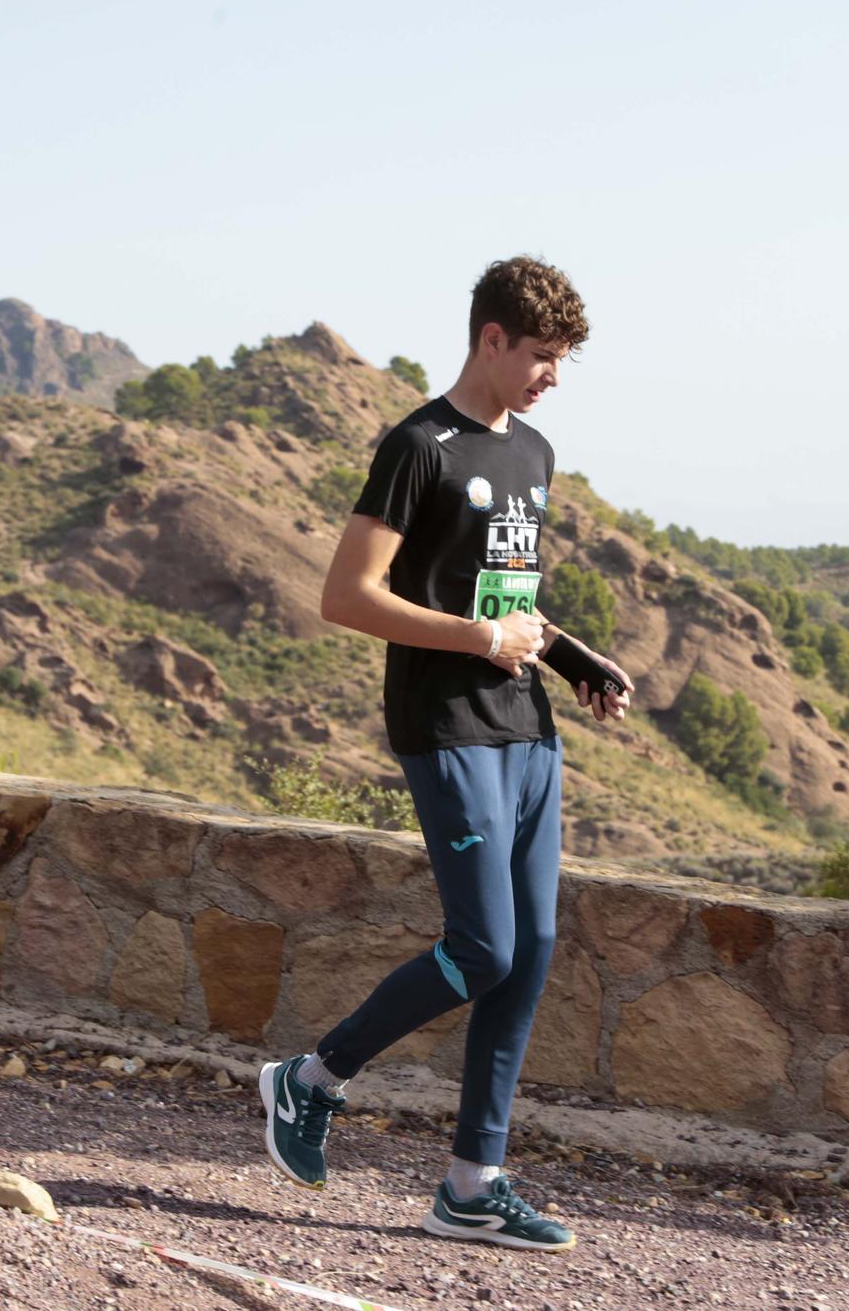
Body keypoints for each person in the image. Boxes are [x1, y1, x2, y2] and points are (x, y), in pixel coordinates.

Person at [259, 257, 630, 1251]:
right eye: (542, 357)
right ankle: (309, 1079)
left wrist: (569, 655)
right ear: (491, 340)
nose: (552, 377)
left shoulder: (537, 455)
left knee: (533, 950)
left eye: (562, 361)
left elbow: (507, 600)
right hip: (444, 721)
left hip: (526, 726)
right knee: (482, 947)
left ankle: (473, 1180)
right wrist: (478, 640)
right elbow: (345, 597)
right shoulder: (416, 446)